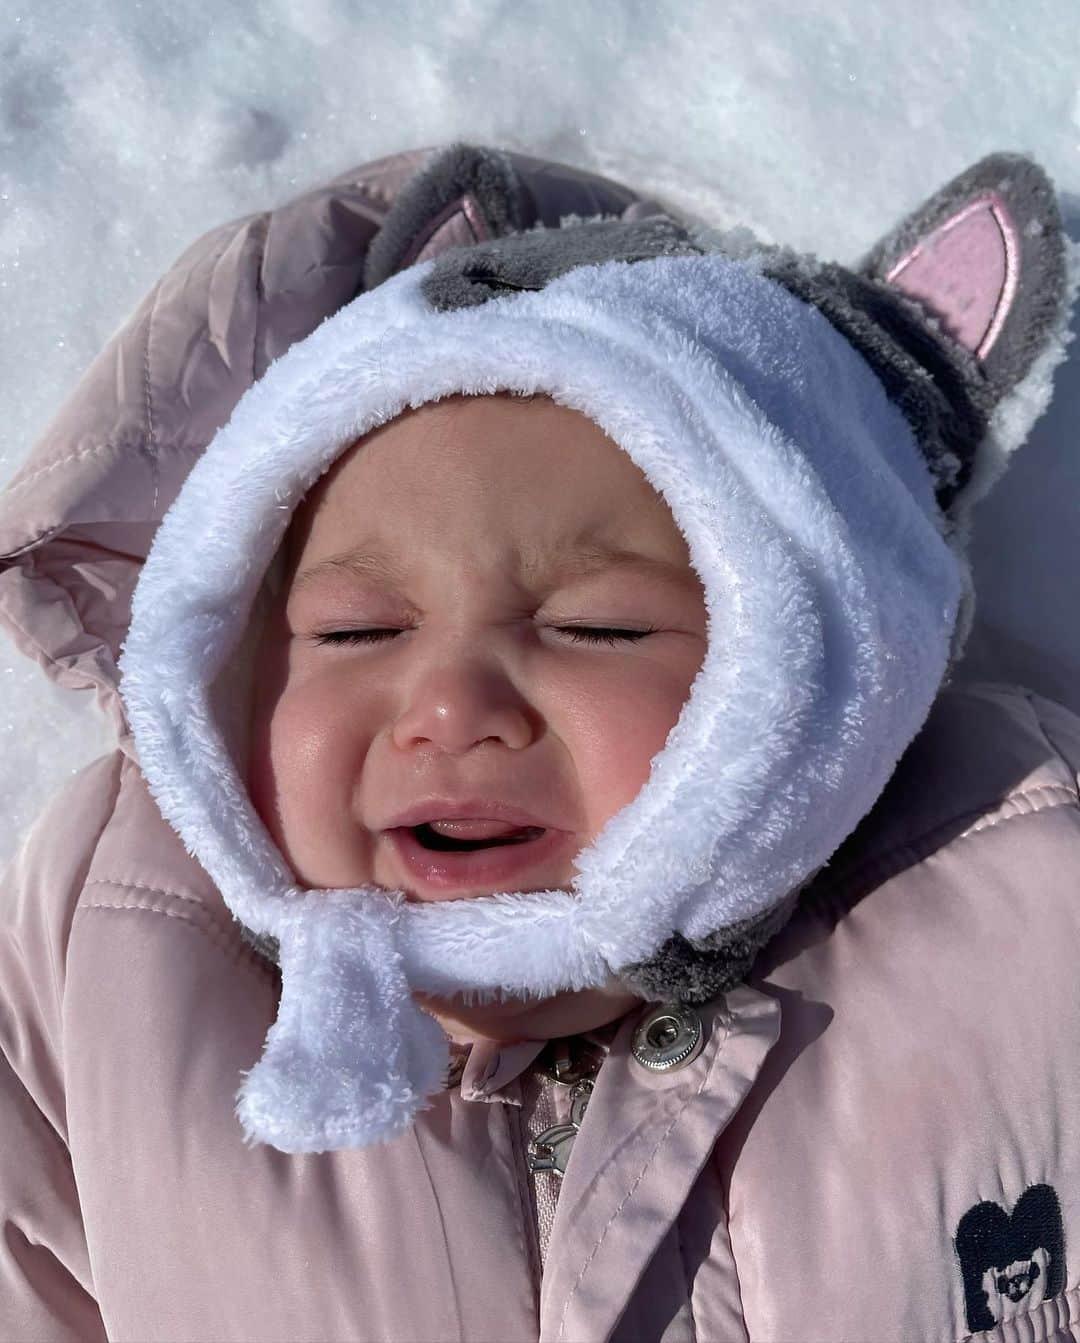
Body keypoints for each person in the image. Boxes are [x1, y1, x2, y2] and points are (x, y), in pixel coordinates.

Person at [1, 141, 1078, 1343]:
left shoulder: (1019, 878)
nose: (451, 706)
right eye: (356, 629)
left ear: (817, 676)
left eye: (595, 624)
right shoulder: (122, 940)